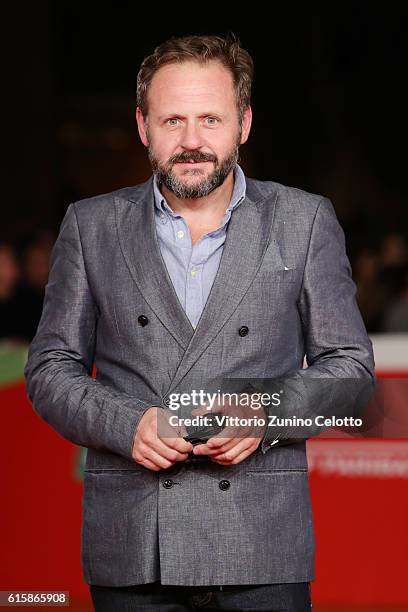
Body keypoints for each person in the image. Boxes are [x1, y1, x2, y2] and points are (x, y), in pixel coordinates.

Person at [24, 34, 375, 611]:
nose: (192, 142)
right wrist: (127, 422)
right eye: (172, 121)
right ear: (143, 126)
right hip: (135, 543)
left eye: (211, 119)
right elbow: (49, 369)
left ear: (244, 123)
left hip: (261, 543)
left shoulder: (304, 220)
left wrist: (262, 412)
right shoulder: (91, 226)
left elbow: (353, 374)